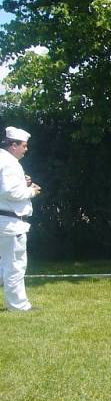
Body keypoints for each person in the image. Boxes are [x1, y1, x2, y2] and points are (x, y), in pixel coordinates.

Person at [0, 127, 42, 312]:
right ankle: (18, 306)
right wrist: (31, 191)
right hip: (10, 222)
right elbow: (10, 192)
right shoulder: (8, 162)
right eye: (23, 146)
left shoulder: (5, 160)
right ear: (13, 145)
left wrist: (22, 183)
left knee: (6, 264)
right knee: (15, 265)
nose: (26, 149)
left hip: (6, 220)